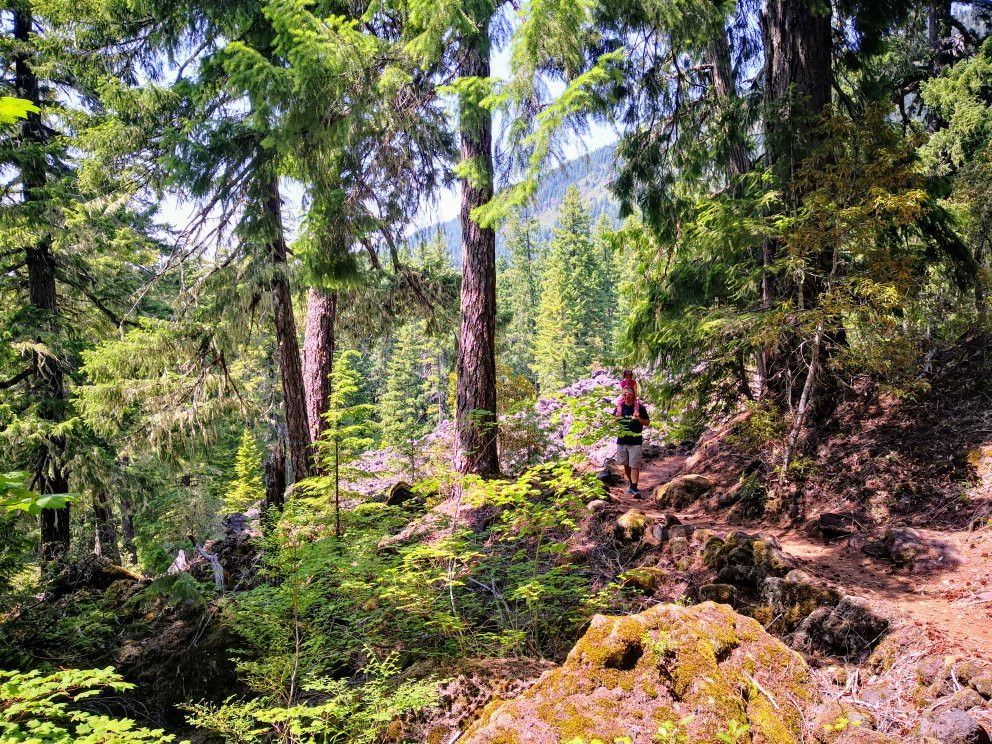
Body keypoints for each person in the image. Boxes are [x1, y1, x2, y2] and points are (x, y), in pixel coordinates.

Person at [614, 385, 649, 497]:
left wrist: (638, 418)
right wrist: (616, 418)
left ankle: (634, 487)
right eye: (623, 393)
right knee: (626, 464)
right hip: (622, 440)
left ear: (633, 395)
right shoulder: (619, 407)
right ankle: (631, 484)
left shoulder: (640, 408)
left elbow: (647, 422)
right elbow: (611, 422)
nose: (625, 395)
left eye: (628, 393)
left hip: (635, 441)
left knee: (634, 465)